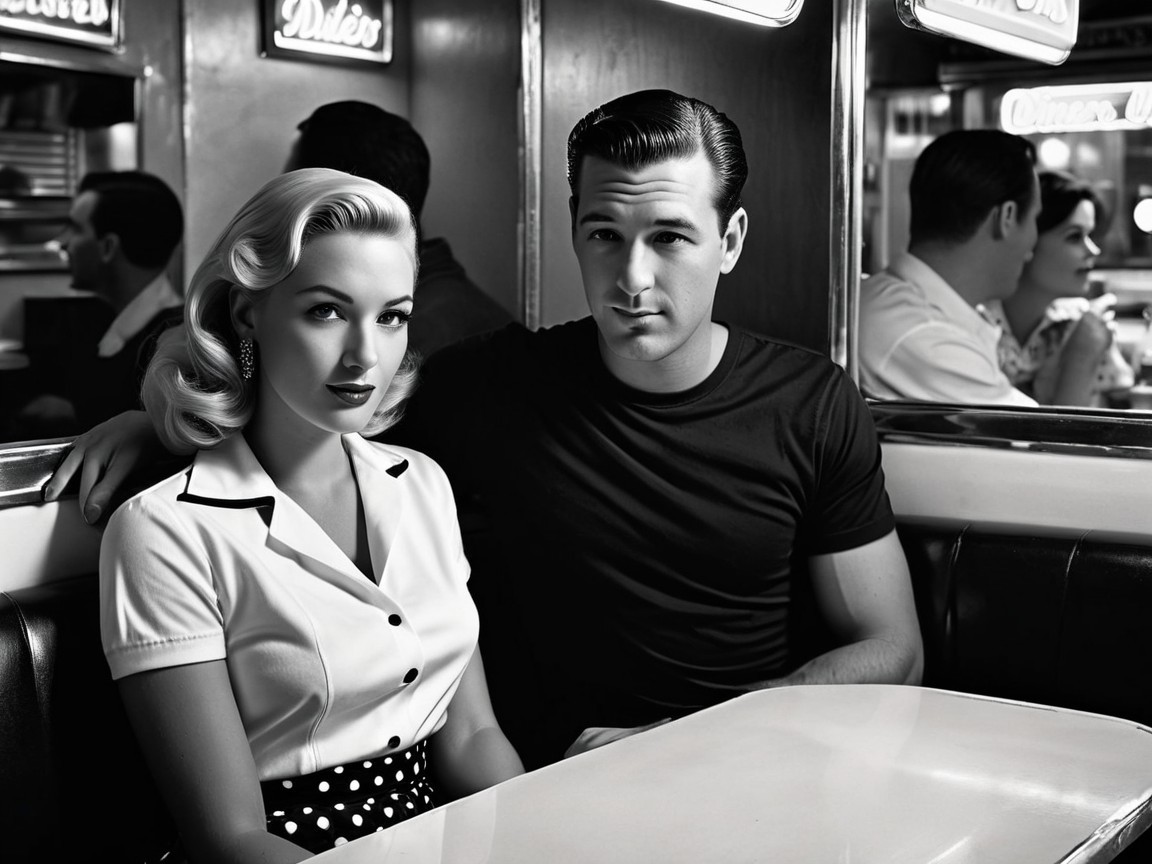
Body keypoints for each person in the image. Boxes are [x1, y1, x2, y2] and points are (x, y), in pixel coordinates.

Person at [49, 90, 923, 772]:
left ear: (729, 240)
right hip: (540, 786)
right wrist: (154, 421)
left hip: (757, 766)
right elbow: (315, 400)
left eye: (670, 237)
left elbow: (891, 647)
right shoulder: (485, 385)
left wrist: (689, 737)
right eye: (604, 235)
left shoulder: (810, 400)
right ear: (573, 231)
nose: (633, 276)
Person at [98, 168, 522, 862]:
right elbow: (226, 836)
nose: (366, 355)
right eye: (327, 310)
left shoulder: (423, 485)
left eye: (391, 316)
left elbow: (474, 740)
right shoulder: (165, 532)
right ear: (247, 315)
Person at [285, 100, 514, 357]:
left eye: (293, 193)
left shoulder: (404, 353)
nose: (282, 211)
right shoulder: (448, 306)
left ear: (343, 208)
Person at [858, 130, 1041, 407]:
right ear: (1006, 217)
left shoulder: (909, 310)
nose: (1033, 242)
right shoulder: (921, 333)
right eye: (1036, 218)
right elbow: (1036, 440)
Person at [16, 170, 184, 436]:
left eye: (76, 229)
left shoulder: (172, 345)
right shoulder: (104, 320)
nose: (64, 244)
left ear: (108, 247)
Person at [981, 170, 1133, 407]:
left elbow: (1100, 429)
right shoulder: (977, 321)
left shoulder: (1086, 324)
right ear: (1028, 239)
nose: (1093, 251)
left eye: (1091, 235)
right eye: (1074, 237)